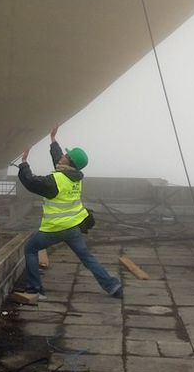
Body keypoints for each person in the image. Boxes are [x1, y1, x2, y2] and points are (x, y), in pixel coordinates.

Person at [16, 125, 122, 299]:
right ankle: (112, 286)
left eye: (65, 156)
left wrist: (24, 162)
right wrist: (52, 140)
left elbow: (30, 182)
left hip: (55, 228)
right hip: (74, 227)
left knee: (30, 249)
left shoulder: (56, 181)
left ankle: (35, 289)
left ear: (69, 162)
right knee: (87, 257)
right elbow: (59, 160)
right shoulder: (75, 177)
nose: (62, 156)